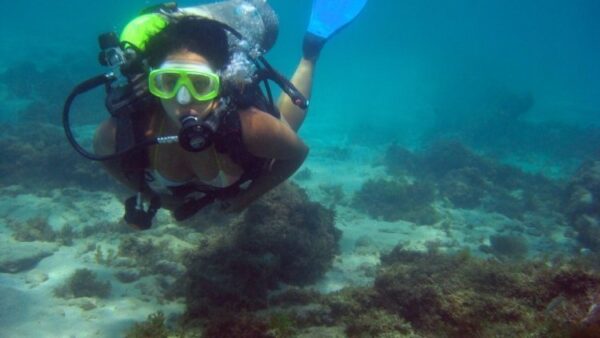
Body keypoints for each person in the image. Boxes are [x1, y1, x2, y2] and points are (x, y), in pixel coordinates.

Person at [86, 0, 367, 228]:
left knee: (285, 127)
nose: (183, 100)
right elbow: (103, 155)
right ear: (151, 84)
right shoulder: (125, 132)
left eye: (200, 84)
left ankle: (311, 51)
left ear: (219, 85)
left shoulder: (253, 128)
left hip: (248, 154)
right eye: (168, 82)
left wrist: (249, 196)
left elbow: (296, 153)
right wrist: (147, 193)